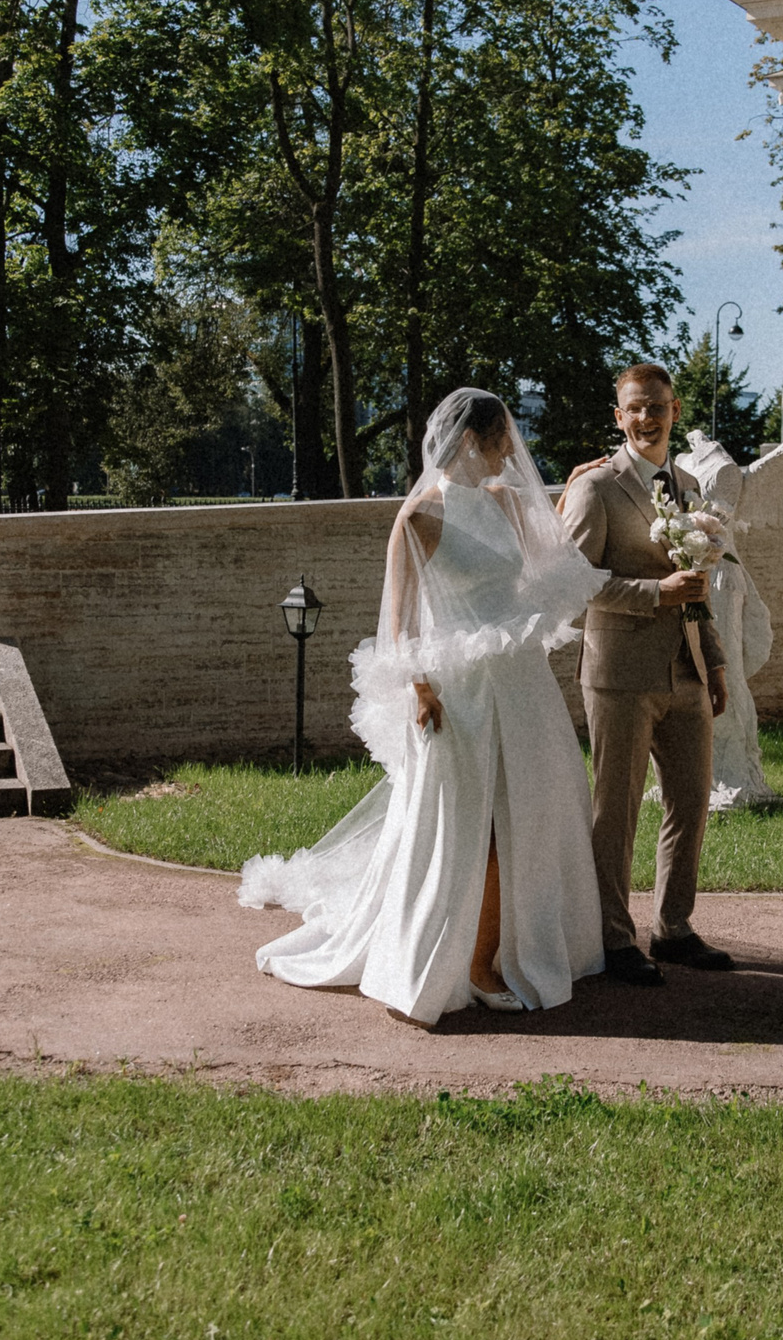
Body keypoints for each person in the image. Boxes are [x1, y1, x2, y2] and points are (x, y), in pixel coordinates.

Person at [240, 389, 607, 1025]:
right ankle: (473, 961)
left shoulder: (505, 499)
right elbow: (399, 621)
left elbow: (548, 566)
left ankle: (531, 943)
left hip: (518, 681)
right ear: (471, 441)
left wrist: (568, 491)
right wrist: (419, 689)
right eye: (500, 443)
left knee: (540, 808)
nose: (507, 453)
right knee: (477, 825)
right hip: (459, 692)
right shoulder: (419, 517)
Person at [559, 362, 735, 984]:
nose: (645, 417)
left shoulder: (687, 485)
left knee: (691, 801)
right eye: (634, 407)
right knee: (618, 808)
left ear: (675, 410)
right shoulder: (595, 487)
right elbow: (575, 584)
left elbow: (698, 587)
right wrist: (654, 592)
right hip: (620, 673)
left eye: (656, 406)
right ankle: (613, 938)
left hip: (685, 668)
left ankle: (674, 929)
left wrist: (713, 660)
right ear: (618, 415)